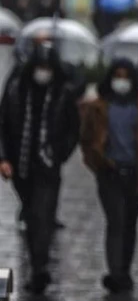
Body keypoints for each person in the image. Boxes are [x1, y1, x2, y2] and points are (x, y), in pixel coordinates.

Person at [80, 59, 138, 294]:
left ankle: (124, 270)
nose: (121, 81)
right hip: (109, 173)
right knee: (116, 222)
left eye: (125, 76)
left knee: (129, 224)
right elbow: (86, 138)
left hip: (136, 173)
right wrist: (95, 162)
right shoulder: (99, 106)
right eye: (117, 75)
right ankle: (116, 273)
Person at [0, 42, 80, 294]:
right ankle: (37, 264)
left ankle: (39, 267)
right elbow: (2, 126)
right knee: (32, 215)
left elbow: (72, 129)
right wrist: (3, 158)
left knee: (42, 216)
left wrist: (58, 154)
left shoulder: (62, 94)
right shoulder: (14, 91)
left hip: (47, 167)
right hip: (20, 166)